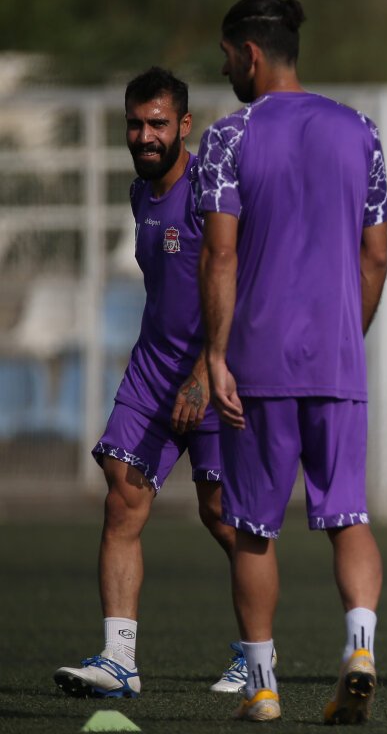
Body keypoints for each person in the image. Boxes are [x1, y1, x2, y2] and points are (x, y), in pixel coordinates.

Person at [197, 0, 387, 724]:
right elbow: (376, 256)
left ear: (249, 53)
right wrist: (346, 337)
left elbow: (220, 254)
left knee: (253, 528)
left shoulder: (228, 135)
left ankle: (263, 687)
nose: (225, 71)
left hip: (259, 363)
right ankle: (361, 647)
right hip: (336, 360)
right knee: (349, 516)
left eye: (226, 58)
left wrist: (216, 355)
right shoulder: (361, 130)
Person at [53, 67, 256, 699]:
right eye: (135, 124)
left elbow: (242, 283)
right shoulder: (140, 193)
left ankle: (258, 650)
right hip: (152, 370)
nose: (145, 136)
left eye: (158, 124)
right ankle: (119, 660)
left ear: (184, 125)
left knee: (221, 513)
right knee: (121, 498)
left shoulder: (210, 190)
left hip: (218, 369)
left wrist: (203, 371)